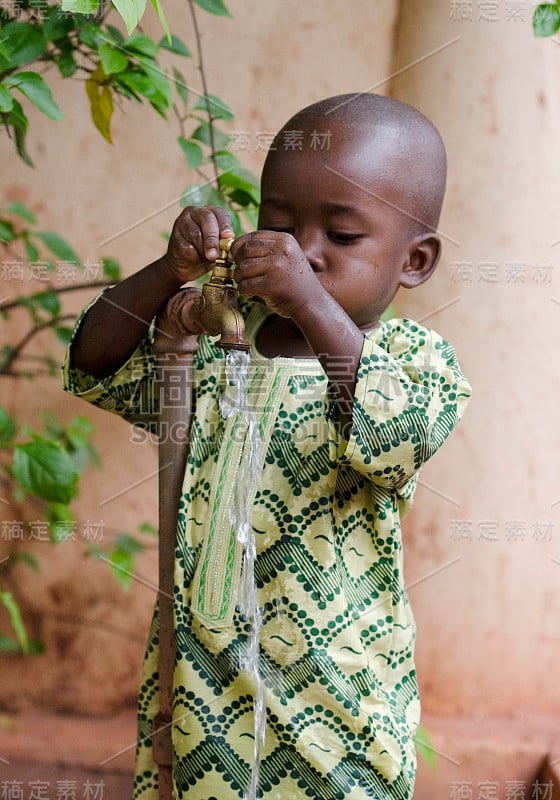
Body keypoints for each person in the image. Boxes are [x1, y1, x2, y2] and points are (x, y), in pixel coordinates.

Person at [63, 93, 471, 800]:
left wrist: (311, 305)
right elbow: (94, 363)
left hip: (338, 693)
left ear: (415, 261)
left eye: (341, 238)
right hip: (200, 674)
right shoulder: (221, 338)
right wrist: (168, 273)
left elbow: (395, 439)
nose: (301, 251)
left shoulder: (414, 360)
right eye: (280, 224)